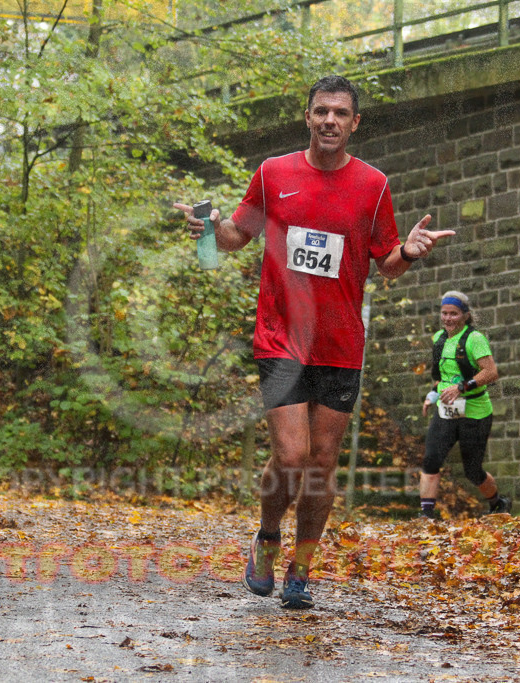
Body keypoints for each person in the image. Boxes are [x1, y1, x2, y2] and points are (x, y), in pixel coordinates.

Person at [173, 75, 455, 609]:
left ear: (355, 123)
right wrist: (210, 229)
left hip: (341, 344)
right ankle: (267, 538)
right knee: (292, 454)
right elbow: (237, 236)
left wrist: (410, 252)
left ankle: (300, 569)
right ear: (307, 117)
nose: (330, 120)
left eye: (340, 113)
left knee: (322, 463)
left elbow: (387, 264)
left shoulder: (373, 185)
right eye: (321, 111)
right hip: (281, 337)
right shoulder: (273, 173)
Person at [419, 290, 511, 519]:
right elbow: (442, 376)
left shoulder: (474, 339)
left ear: (465, 315)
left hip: (475, 412)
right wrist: (432, 395)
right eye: (444, 313)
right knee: (431, 460)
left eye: (454, 314)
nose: (448, 318)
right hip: (446, 411)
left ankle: (498, 503)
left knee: (472, 470)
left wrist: (461, 388)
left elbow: (491, 372)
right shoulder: (439, 339)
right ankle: (426, 515)